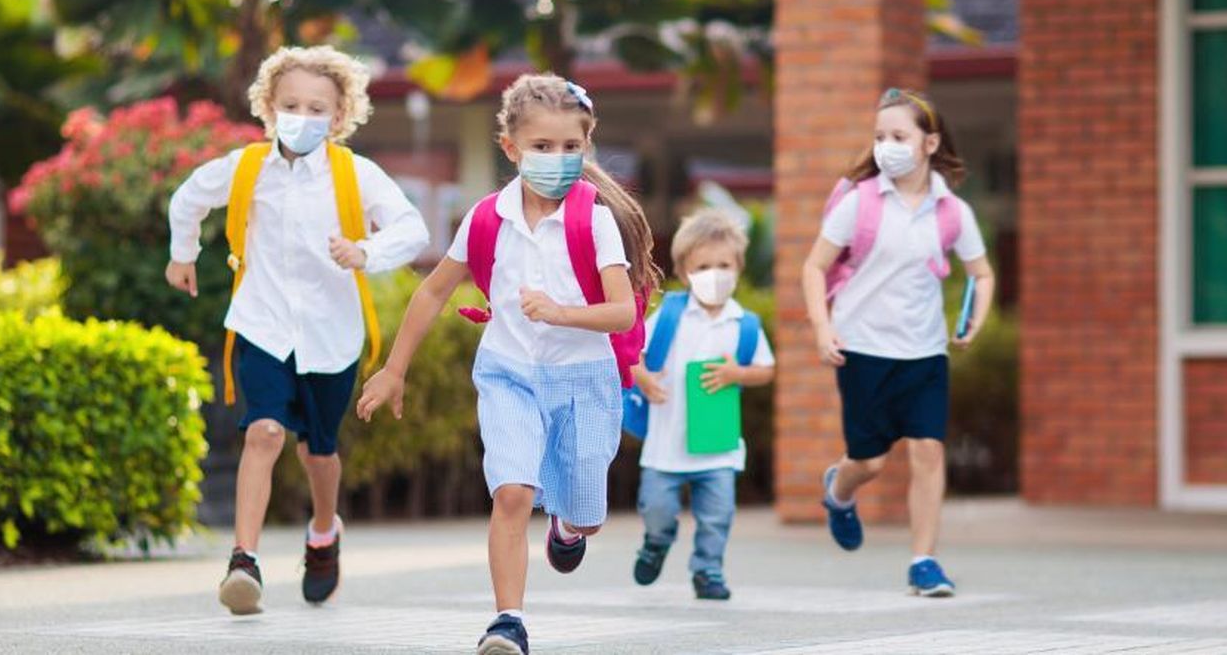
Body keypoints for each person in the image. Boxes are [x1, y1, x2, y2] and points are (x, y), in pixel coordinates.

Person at [356, 74, 659, 655]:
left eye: (572, 147)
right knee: (513, 493)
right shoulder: (486, 219)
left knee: (586, 515)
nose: (558, 159)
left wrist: (560, 313)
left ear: (586, 146)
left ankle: (569, 526)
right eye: (543, 148)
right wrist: (395, 369)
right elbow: (431, 293)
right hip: (508, 374)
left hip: (583, 381)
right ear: (511, 149)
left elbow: (622, 313)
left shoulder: (593, 220)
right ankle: (508, 623)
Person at [165, 45, 430, 615]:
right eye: (291, 105)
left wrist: (365, 251)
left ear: (339, 117)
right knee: (262, 432)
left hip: (331, 336)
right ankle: (244, 560)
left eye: (317, 108)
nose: (302, 117)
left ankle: (323, 532)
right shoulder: (246, 168)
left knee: (318, 452)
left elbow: (411, 228)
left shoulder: (354, 175)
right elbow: (188, 198)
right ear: (268, 107)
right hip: (261, 324)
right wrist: (181, 254)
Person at [800, 87, 994, 597]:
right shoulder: (860, 203)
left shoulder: (952, 211)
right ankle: (839, 493)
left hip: (925, 352)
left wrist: (976, 316)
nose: (887, 145)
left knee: (928, 451)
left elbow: (983, 273)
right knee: (870, 462)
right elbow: (814, 266)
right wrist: (823, 328)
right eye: (880, 136)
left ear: (929, 143)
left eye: (899, 135)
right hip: (862, 348)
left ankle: (924, 561)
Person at [630, 209, 775, 601]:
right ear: (684, 270)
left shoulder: (744, 324)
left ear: (739, 268)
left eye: (724, 265)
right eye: (703, 266)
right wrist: (642, 378)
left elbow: (765, 369)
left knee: (718, 516)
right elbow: (631, 353)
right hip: (666, 444)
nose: (715, 273)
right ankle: (656, 542)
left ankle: (708, 570)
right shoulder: (671, 315)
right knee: (657, 508)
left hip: (718, 445)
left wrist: (738, 374)